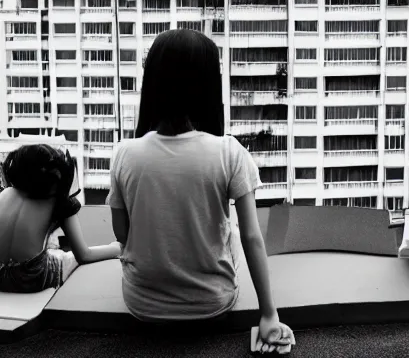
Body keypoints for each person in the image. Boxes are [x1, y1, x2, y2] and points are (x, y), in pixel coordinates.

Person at [107, 29, 294, 352]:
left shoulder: (124, 153)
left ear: (152, 83)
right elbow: (252, 238)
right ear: (208, 85)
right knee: (232, 229)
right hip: (211, 305)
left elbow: (122, 235)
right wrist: (269, 314)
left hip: (141, 305)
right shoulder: (229, 152)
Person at [0, 144, 122, 293]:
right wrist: (116, 247)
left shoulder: (5, 193)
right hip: (30, 278)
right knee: (66, 258)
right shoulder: (57, 201)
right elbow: (84, 255)